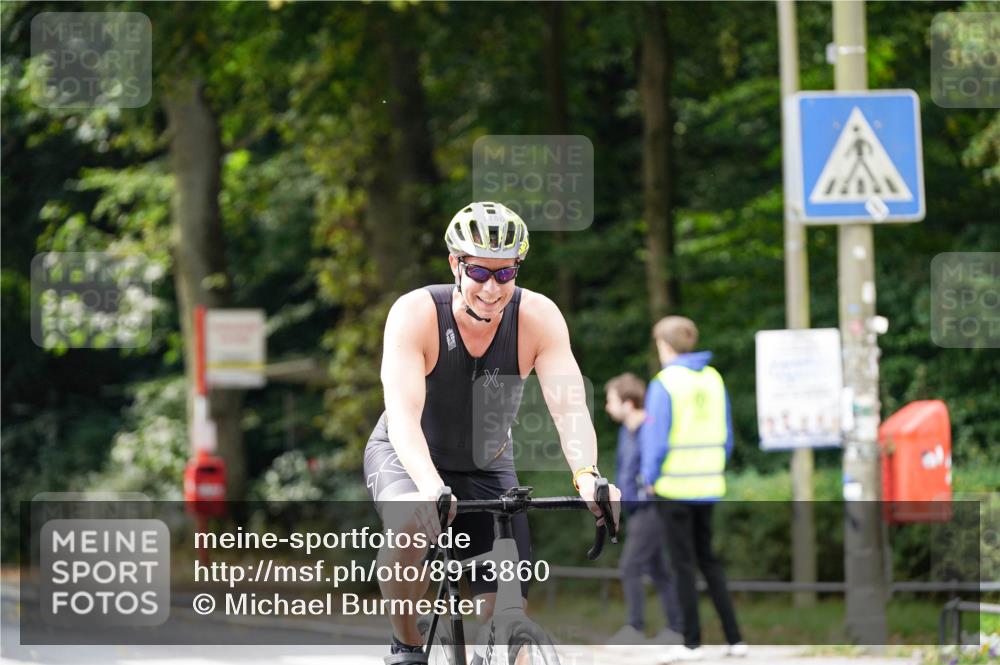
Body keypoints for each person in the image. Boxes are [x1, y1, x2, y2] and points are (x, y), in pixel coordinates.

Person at [363, 201, 621, 664]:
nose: (491, 287)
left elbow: (569, 404)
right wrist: (428, 487)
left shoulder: (538, 317)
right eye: (480, 272)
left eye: (506, 275)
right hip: (409, 454)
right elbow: (403, 413)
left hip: (487, 462)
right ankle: (407, 643)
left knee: (504, 611)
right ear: (455, 265)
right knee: (408, 525)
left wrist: (587, 474)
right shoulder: (416, 313)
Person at [639, 316, 747, 662]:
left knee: (682, 565)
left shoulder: (665, 382)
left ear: (665, 346)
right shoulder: (714, 379)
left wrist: (648, 478)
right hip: (709, 483)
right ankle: (735, 639)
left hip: (673, 487)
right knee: (709, 561)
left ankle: (692, 643)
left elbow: (655, 440)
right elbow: (727, 435)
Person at [605, 372, 684, 645]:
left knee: (630, 565)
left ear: (628, 402)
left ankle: (635, 627)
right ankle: (677, 627)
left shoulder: (649, 429)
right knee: (658, 569)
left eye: (611, 400)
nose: (607, 406)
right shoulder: (624, 433)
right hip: (634, 508)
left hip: (652, 507)